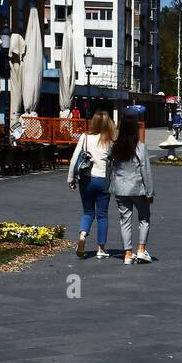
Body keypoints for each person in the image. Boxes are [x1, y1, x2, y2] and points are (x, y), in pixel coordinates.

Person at [68, 111, 116, 259]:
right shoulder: (110, 140)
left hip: (86, 179)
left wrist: (71, 178)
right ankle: (101, 248)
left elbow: (74, 158)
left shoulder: (85, 137)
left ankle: (83, 235)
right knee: (102, 215)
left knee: (88, 212)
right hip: (103, 181)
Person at [109, 113, 154, 265]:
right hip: (137, 189)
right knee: (144, 218)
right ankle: (141, 249)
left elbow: (110, 167)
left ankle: (128, 253)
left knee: (125, 221)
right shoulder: (140, 147)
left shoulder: (115, 147)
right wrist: (150, 192)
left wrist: (109, 185)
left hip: (120, 189)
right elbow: (145, 171)